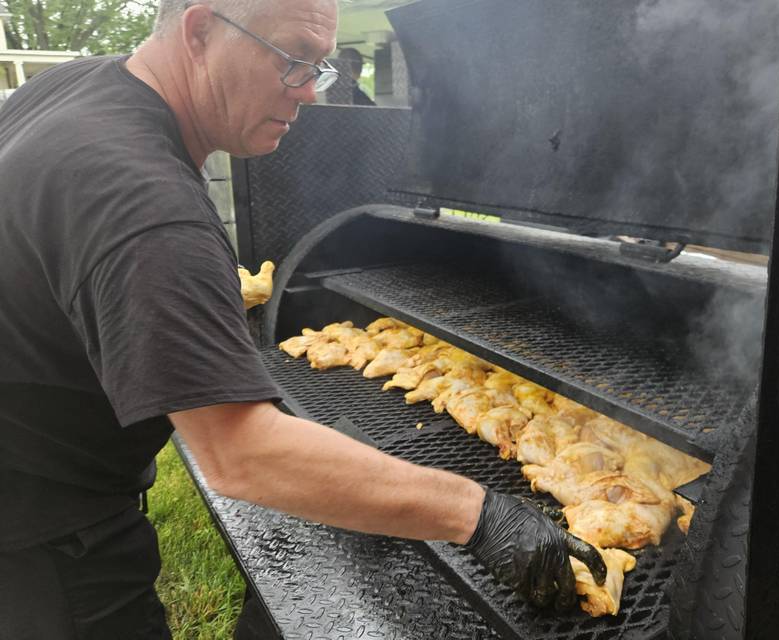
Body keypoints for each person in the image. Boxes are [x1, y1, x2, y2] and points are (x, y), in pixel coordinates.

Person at [0, 1, 605, 638]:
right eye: (292, 61)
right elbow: (240, 454)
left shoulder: (78, 85)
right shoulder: (146, 205)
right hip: (41, 521)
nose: (310, 97)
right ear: (201, 31)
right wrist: (479, 514)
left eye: (320, 70)